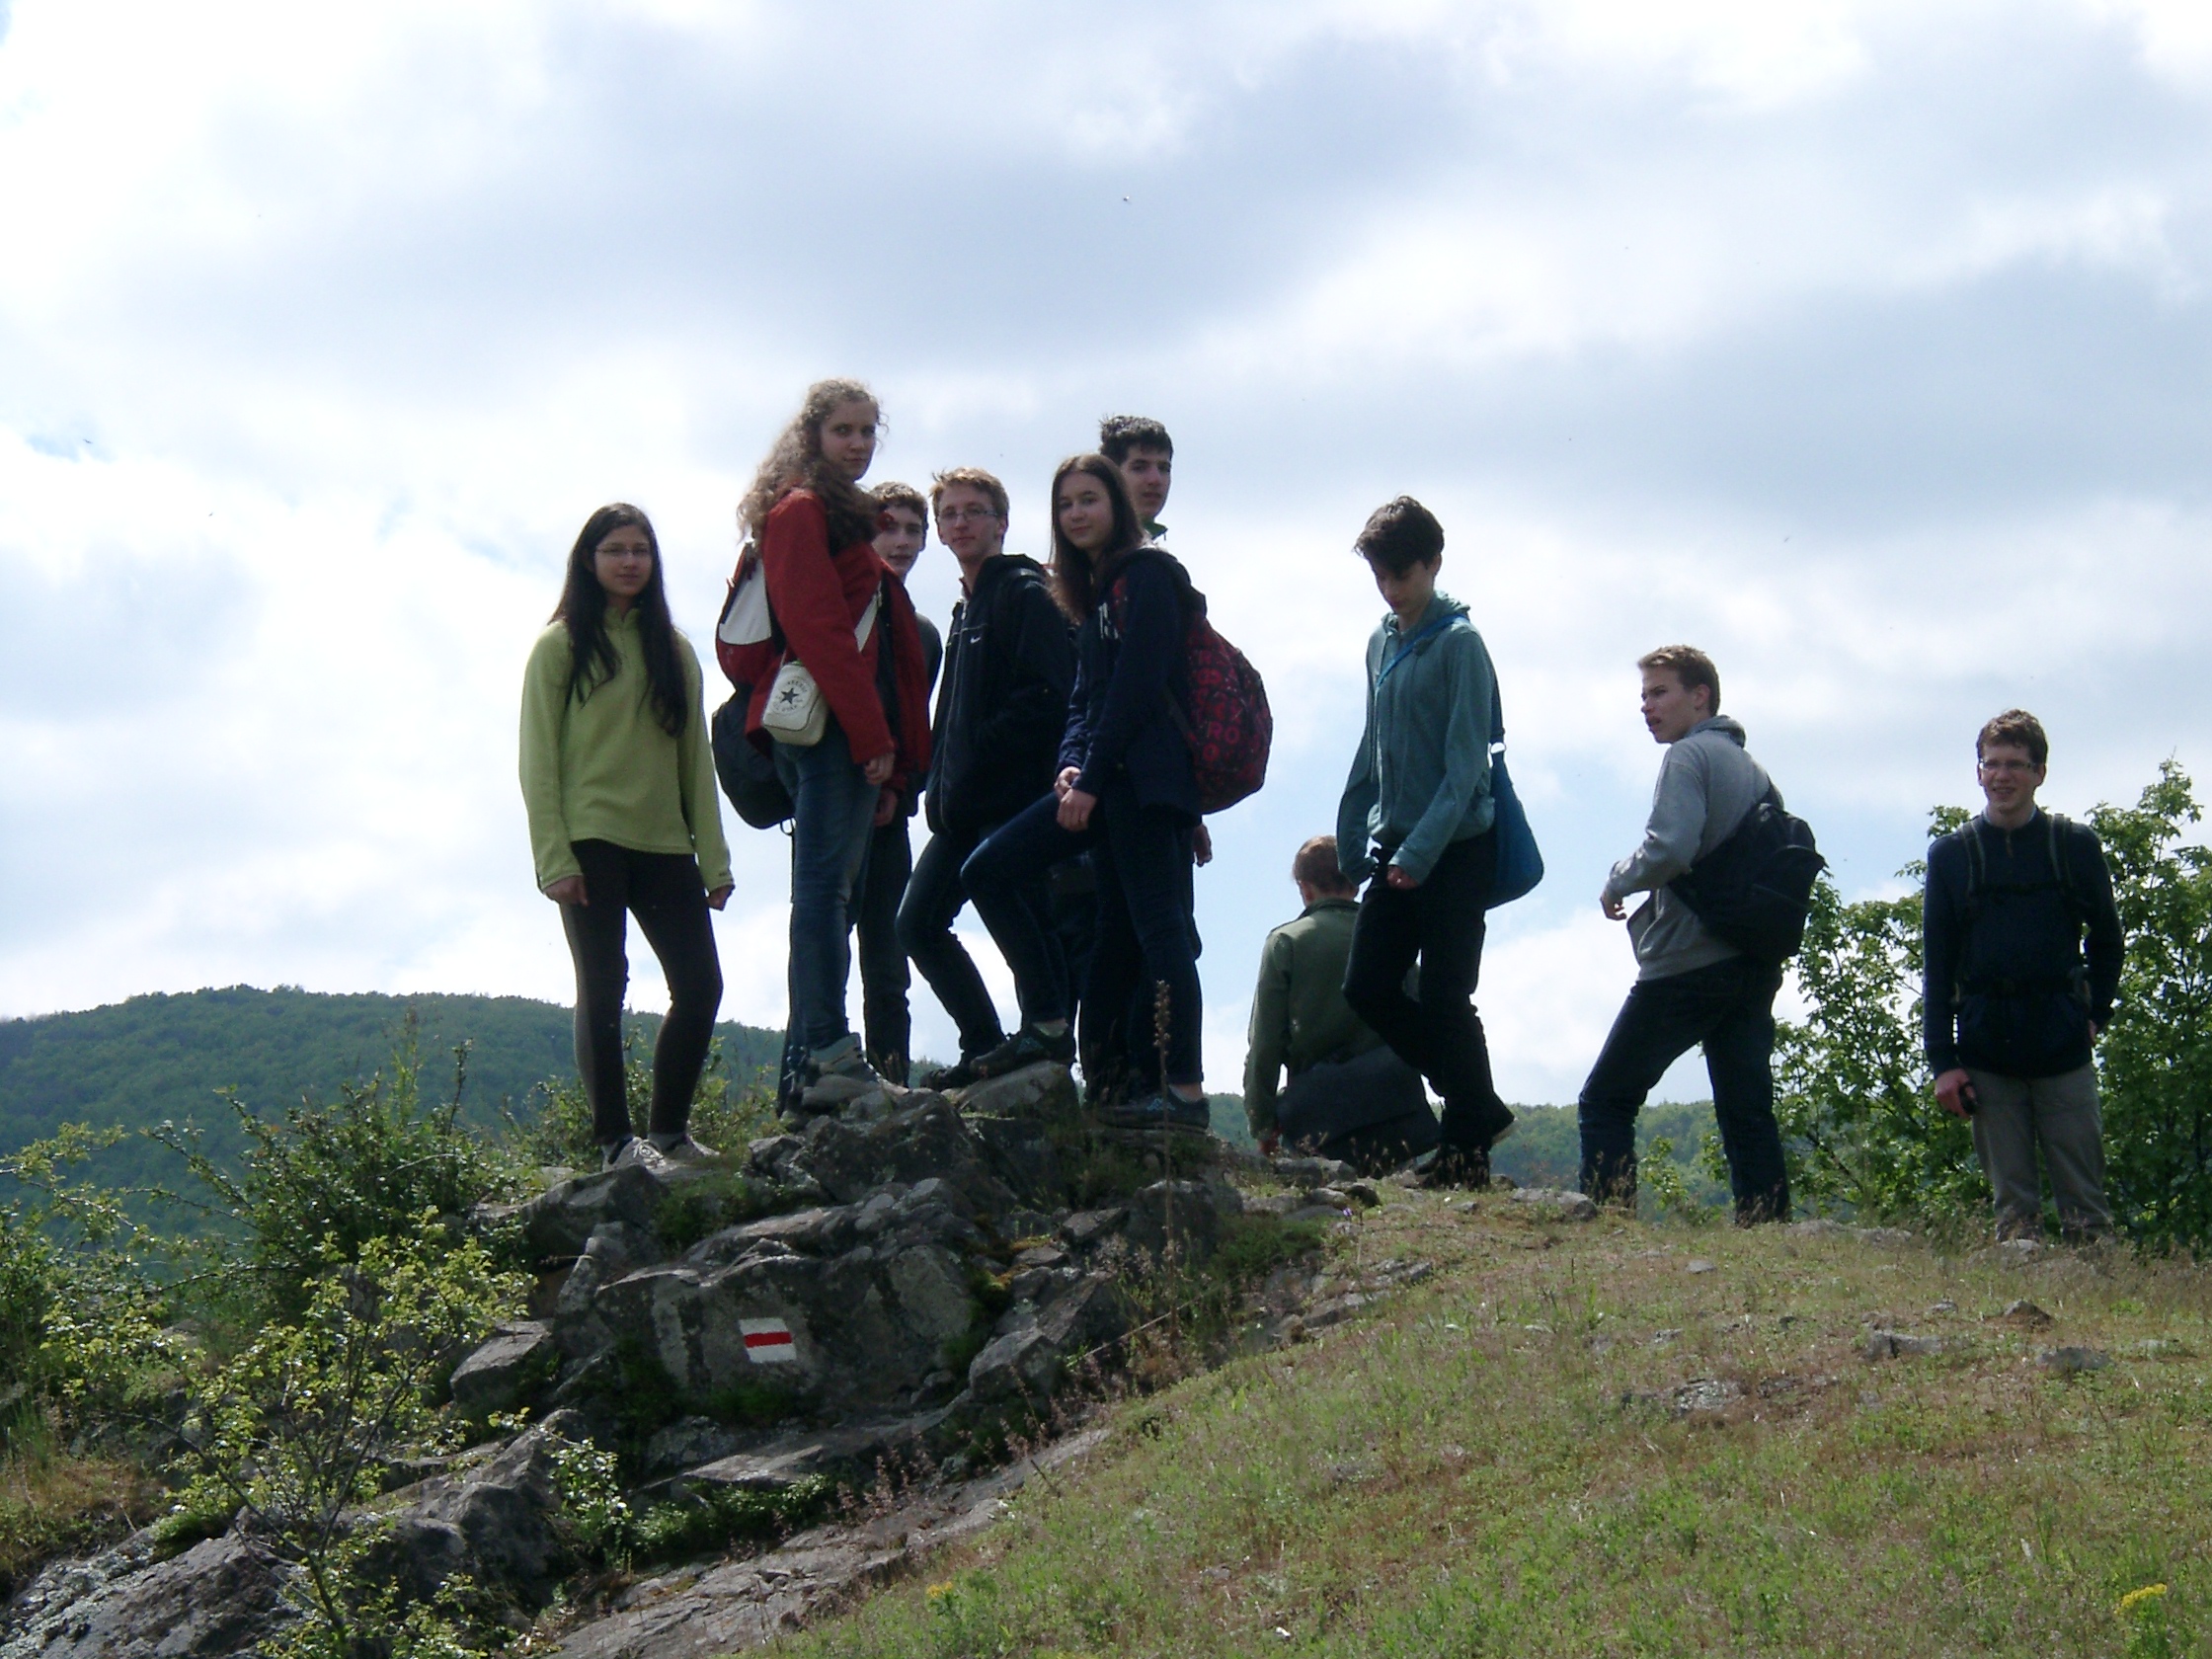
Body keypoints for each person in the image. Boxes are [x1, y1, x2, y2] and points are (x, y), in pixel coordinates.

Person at [964, 454, 1208, 1128]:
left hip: (1145, 784)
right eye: (1065, 504)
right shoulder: (1097, 592)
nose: (1076, 514)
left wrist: (1090, 780)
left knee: (1159, 932)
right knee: (1004, 878)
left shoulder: (1149, 575)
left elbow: (1136, 691)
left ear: (1116, 507)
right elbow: (1083, 697)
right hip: (1105, 781)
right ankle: (1057, 1030)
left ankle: (1184, 1094)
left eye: (1089, 500)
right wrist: (1070, 766)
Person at [736, 380, 933, 1106]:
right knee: (824, 897)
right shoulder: (801, 510)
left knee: (831, 897)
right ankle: (824, 1053)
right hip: (831, 733)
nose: (857, 444)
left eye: (867, 431)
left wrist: (887, 766)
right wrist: (872, 739)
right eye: (843, 430)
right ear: (813, 434)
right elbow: (818, 631)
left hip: (843, 734)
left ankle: (806, 1078)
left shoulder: (838, 514)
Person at [519, 504, 732, 1168]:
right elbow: (537, 759)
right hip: (590, 841)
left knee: (700, 987)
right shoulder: (560, 646)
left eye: (641, 550)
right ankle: (615, 1142)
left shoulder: (675, 651)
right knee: (604, 985)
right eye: (615, 550)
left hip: (665, 843)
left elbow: (695, 760)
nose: (630, 561)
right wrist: (553, 857)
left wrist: (714, 861)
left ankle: (668, 1133)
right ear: (589, 560)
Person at [1335, 497, 1515, 1186]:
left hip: (1458, 848)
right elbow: (1371, 746)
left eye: (1401, 573)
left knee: (1445, 996)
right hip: (1393, 847)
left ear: (1434, 563)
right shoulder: (1379, 642)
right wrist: (1354, 832)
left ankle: (1466, 1152)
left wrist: (1421, 854)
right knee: (1367, 987)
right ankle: (1477, 1103)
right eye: (1379, 575)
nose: (1390, 587)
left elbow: (1466, 767)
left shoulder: (1461, 644)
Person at [1578, 646, 1791, 1223]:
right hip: (1750, 959)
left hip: (1688, 960)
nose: (1647, 707)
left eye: (1659, 692)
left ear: (1700, 697)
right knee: (1747, 1110)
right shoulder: (1752, 770)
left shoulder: (1689, 756)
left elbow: (1670, 847)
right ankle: (1767, 1229)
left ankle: (1609, 1226)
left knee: (1606, 1099)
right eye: (1644, 696)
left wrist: (1617, 880)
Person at [895, 467, 1075, 1089]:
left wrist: (978, 755)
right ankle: (983, 1044)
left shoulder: (1025, 593)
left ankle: (1046, 1029)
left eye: (974, 510)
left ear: (1002, 522)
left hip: (1010, 796)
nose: (961, 522)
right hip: (962, 806)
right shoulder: (965, 608)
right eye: (949, 514)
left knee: (1021, 910)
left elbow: (1049, 694)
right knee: (916, 923)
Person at [1924, 710, 2124, 1241]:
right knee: (2014, 1217)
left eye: (2015, 764)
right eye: (1992, 764)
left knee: (2087, 1211)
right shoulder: (1951, 856)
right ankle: (2023, 1292)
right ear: (1978, 772)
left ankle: (2098, 1291)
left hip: (2063, 1047)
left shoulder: (2073, 845)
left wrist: (2096, 1013)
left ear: (2040, 773)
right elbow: (1937, 965)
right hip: (1987, 1049)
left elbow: (2108, 938)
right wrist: (1943, 1062)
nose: (2002, 776)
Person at [1244, 835, 1428, 1162]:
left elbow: (1265, 1044)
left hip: (1317, 1121)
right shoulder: (1387, 937)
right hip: (1393, 1112)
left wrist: (1263, 1124)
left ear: (1305, 888)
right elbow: (1426, 1018)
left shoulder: (1285, 942)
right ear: (1355, 884)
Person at [846, 482, 943, 1086]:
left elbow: (916, 728)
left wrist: (900, 792)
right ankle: (805, 1083)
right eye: (889, 527)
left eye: (913, 530)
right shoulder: (841, 613)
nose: (902, 541)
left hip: (891, 814)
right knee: (822, 950)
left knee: (888, 962)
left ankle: (892, 1084)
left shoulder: (924, 634)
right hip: (836, 805)